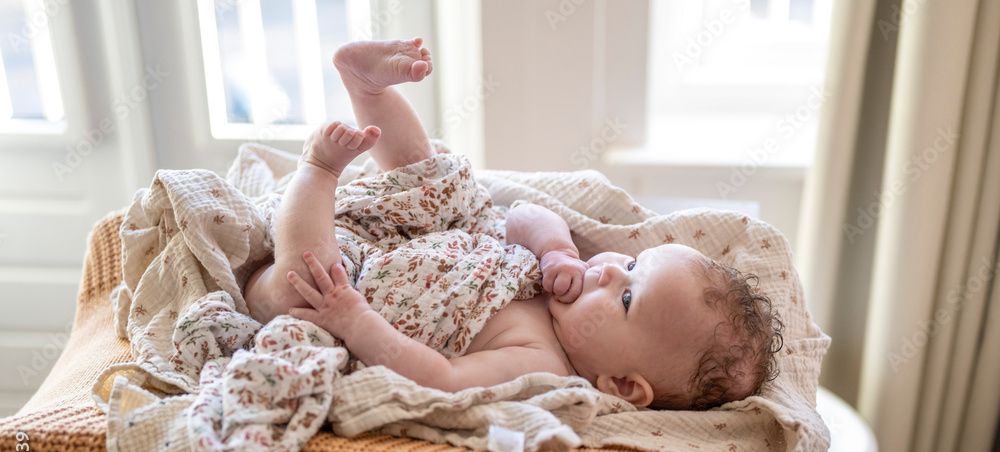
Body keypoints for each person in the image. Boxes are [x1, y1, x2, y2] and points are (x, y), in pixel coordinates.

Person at [244, 38, 782, 410]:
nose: (609, 271)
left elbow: (444, 380)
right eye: (631, 264)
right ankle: (369, 89)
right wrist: (553, 247)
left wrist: (355, 320)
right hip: (429, 235)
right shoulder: (561, 270)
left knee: (301, 289)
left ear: (622, 383)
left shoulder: (542, 364)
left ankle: (315, 171)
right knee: (439, 181)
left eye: (625, 299)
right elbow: (520, 215)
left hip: (358, 290)